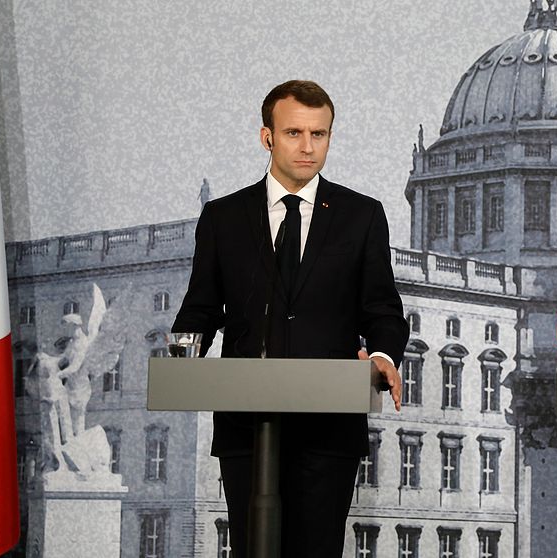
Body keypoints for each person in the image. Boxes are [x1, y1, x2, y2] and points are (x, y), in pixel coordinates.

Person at [173, 80, 408, 557]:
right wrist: (185, 353)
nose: (307, 147)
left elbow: (382, 307)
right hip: (246, 424)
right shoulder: (223, 217)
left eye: (319, 134)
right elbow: (200, 307)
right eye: (294, 133)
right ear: (267, 138)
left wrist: (383, 355)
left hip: (329, 427)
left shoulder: (361, 216)